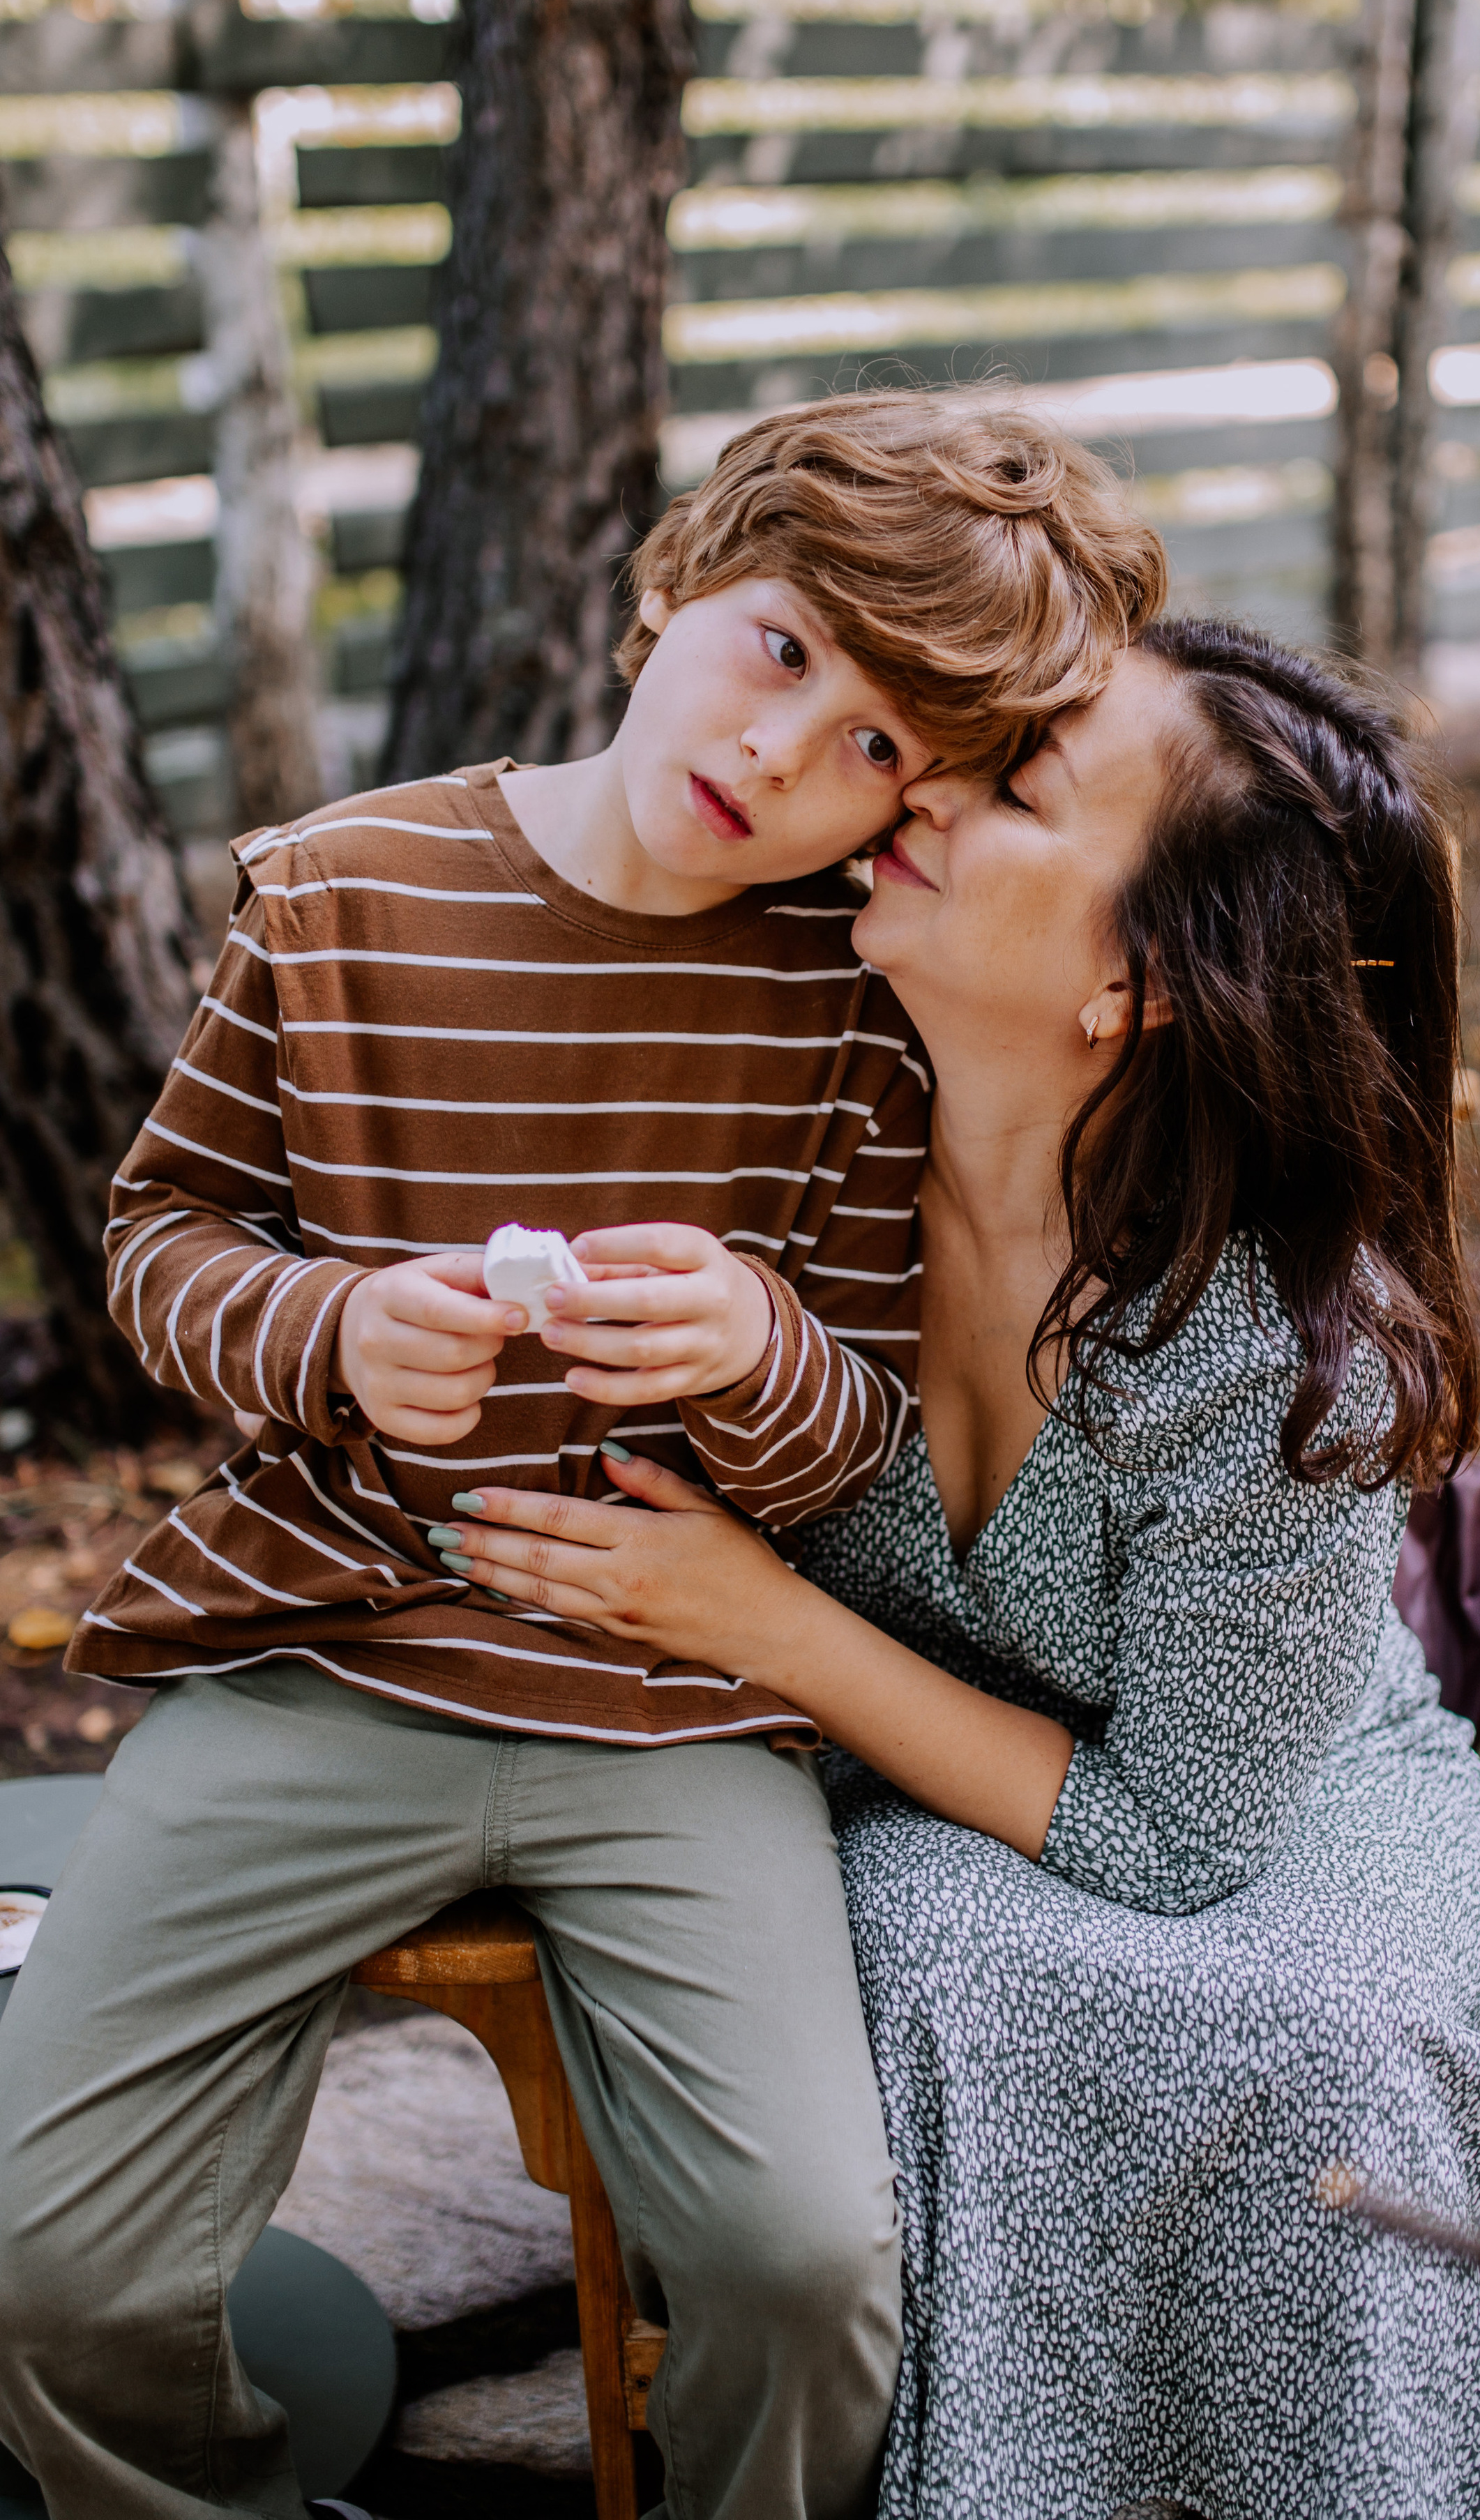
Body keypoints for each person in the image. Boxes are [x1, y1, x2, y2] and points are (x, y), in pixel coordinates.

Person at [0, 392, 1169, 2520]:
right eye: (787, 651)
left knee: (810, 2265)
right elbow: (162, 1245)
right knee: (41, 2263)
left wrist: (749, 1350)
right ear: (673, 583)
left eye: (885, 752)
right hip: (323, 1657)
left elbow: (852, 1449)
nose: (785, 756)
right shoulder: (343, 891)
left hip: (679, 1711)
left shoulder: (852, 989)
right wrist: (332, 1333)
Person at [435, 616, 1480, 2519]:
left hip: (1274, 1803)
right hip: (883, 1796)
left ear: (1143, 977)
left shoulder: (1288, 1355)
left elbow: (1182, 1839)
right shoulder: (783, 1133)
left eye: (1020, 779)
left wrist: (764, 1621)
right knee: (965, 1980)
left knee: (1323, 2070)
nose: (927, 782)